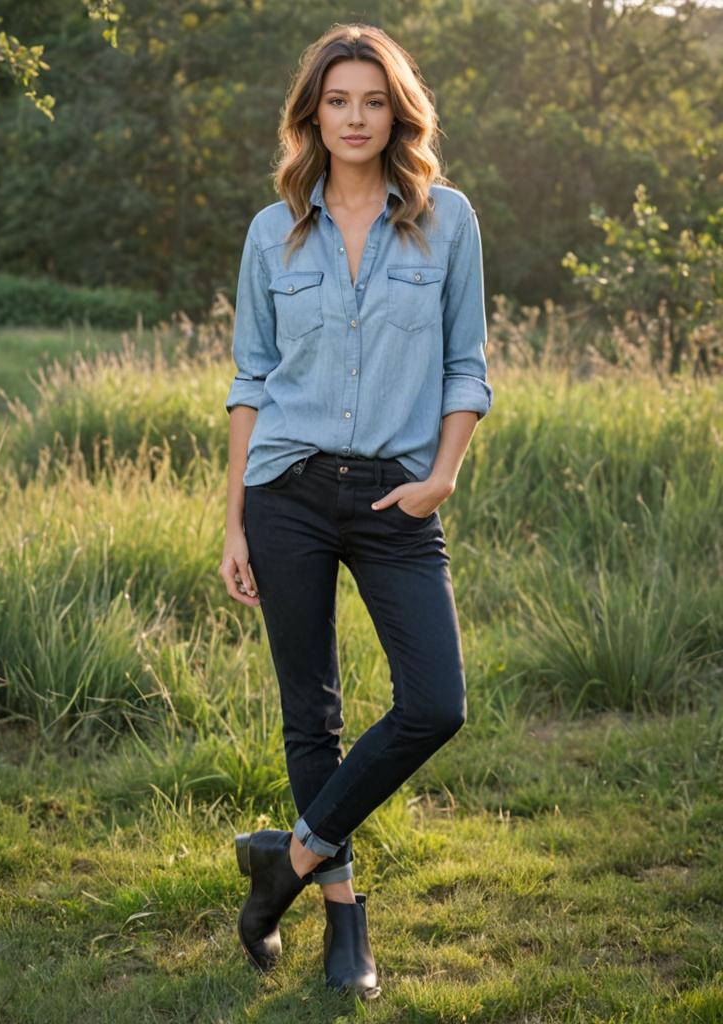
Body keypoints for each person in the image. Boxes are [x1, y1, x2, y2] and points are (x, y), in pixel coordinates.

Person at [219, 22, 493, 1001]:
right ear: (313, 113)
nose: (355, 118)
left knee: (436, 703)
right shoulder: (272, 230)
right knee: (314, 714)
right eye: (338, 100)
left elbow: (469, 367)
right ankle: (341, 919)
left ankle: (282, 862)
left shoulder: (446, 219)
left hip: (397, 493)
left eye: (374, 101)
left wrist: (443, 475)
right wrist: (234, 523)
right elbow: (251, 378)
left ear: (397, 112)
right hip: (285, 491)